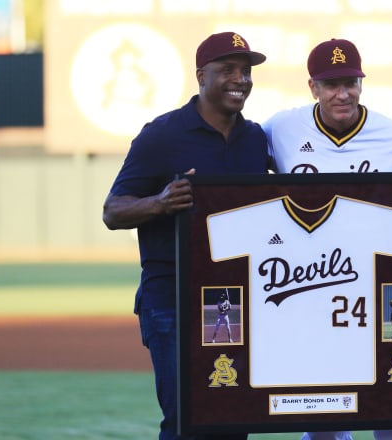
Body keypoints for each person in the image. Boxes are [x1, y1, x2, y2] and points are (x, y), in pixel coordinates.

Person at [262, 38, 392, 440]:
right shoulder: (280, 130)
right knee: (324, 413)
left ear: (362, 84)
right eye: (331, 83)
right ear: (313, 87)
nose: (343, 93)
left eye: (351, 82)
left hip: (385, 286)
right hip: (314, 286)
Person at [102, 31, 267, 440]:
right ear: (200, 75)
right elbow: (112, 211)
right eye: (226, 70)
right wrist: (159, 202)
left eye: (245, 71)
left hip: (230, 297)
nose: (240, 79)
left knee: (231, 416)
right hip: (171, 294)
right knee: (185, 419)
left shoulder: (256, 139)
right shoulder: (162, 135)